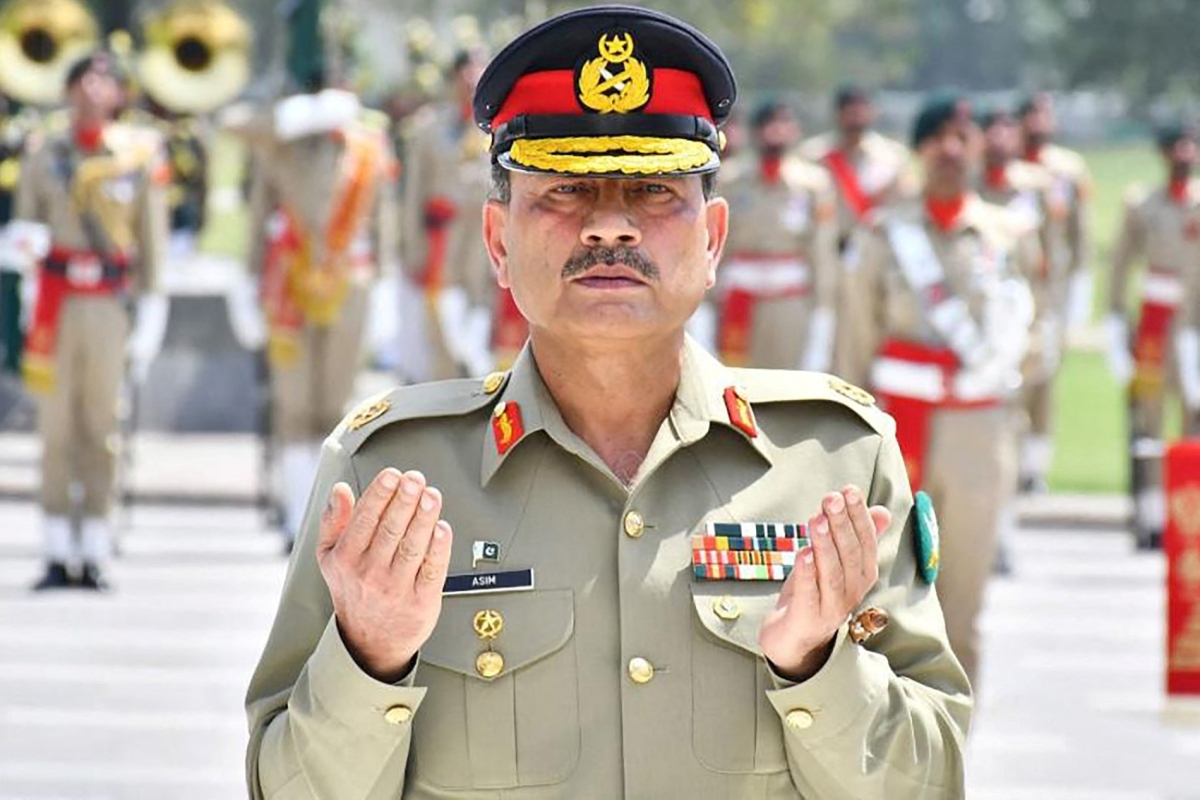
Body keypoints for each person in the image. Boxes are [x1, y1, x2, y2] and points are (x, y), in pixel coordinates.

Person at [245, 8, 970, 798]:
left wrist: (817, 667)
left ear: (713, 239)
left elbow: (929, 784)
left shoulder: (835, 463)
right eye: (564, 191)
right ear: (496, 240)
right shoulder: (390, 474)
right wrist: (370, 659)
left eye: (655, 191)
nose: (610, 224)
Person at [837, 92, 1039, 683]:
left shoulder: (1010, 235)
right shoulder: (884, 235)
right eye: (937, 139)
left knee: (963, 610)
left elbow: (1036, 332)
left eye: (962, 136)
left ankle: (953, 757)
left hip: (980, 432)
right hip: (900, 430)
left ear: (979, 146)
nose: (950, 150)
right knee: (879, 605)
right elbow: (855, 341)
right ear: (920, 151)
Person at [14, 52, 168, 590]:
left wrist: (153, 307)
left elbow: (151, 239)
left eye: (103, 81)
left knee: (102, 427)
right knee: (56, 428)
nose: (91, 91)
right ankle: (57, 549)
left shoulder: (136, 156)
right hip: (55, 300)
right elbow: (23, 223)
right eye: (82, 80)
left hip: (107, 304)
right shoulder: (44, 153)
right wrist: (24, 249)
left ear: (119, 95)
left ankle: (95, 548)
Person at [239, 79, 399, 551]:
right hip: (289, 283)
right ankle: (295, 519)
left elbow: (383, 220)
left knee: (338, 406)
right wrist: (248, 282)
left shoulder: (368, 149)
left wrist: (387, 285)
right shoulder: (282, 145)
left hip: (351, 284)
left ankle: (332, 519)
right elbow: (236, 132)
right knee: (293, 406)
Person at [401, 49, 522, 379]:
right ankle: (444, 395)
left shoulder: (501, 127)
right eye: (465, 76)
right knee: (440, 324)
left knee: (485, 321)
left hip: (486, 241)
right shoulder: (429, 128)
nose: (470, 85)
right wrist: (412, 249)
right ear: (453, 80)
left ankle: (483, 399)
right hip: (443, 238)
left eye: (478, 78)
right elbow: (414, 192)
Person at [1110, 123, 1200, 546]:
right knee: (1148, 421)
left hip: (1195, 325)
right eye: (1177, 145)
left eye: (1190, 145)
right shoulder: (1142, 204)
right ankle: (1149, 516)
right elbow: (1120, 263)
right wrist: (1115, 317)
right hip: (1154, 327)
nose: (1184, 153)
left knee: (1194, 421)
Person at [716, 99, 838, 371]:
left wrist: (824, 307)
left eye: (785, 124)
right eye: (770, 124)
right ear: (756, 131)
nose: (777, 132)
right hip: (739, 299)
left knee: (786, 381)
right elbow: (716, 243)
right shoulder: (730, 180)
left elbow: (822, 248)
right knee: (736, 382)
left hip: (789, 300)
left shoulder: (813, 184)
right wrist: (706, 304)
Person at [1016, 92, 1093, 491]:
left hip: (1052, 291)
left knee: (1045, 375)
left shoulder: (1067, 170)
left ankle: (1035, 465)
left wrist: (1081, 287)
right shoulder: (1008, 169)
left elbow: (1080, 233)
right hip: (1014, 290)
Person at [800, 85, 912, 256]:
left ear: (873, 111)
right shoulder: (814, 155)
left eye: (861, 107)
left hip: (875, 249)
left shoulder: (893, 157)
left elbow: (905, 205)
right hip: (827, 248)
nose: (855, 113)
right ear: (837, 113)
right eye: (848, 107)